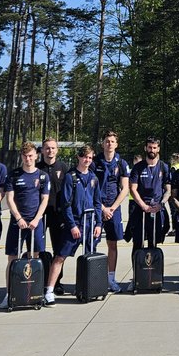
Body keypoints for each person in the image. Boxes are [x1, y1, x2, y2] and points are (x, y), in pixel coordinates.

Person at [44, 145, 102, 304]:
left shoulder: (93, 178)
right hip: (75, 223)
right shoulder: (71, 177)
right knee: (60, 256)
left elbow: (97, 203)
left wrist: (99, 224)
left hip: (90, 224)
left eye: (90, 158)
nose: (87, 160)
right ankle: (49, 290)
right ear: (79, 157)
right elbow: (66, 204)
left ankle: (88, 287)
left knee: (89, 257)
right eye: (85, 157)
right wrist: (72, 225)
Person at [0, 141, 51, 308]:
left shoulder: (43, 176)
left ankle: (34, 292)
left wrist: (37, 219)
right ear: (21, 157)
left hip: (35, 223)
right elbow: (9, 199)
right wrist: (18, 218)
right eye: (25, 156)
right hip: (18, 223)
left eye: (30, 155)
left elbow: (44, 200)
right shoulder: (13, 175)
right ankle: (9, 294)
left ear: (36, 155)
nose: (28, 159)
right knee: (13, 258)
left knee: (35, 258)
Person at [95, 130, 130, 293]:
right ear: (103, 143)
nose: (109, 144)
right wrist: (102, 208)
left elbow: (125, 189)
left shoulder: (121, 163)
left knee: (112, 244)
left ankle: (111, 279)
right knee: (92, 244)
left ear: (117, 144)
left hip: (113, 208)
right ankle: (92, 280)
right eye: (107, 141)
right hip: (97, 207)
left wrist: (112, 208)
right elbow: (90, 187)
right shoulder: (94, 161)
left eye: (112, 141)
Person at [126, 136, 171, 262]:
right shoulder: (138, 167)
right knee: (137, 243)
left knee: (154, 243)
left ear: (158, 149)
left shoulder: (164, 167)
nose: (152, 150)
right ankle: (137, 277)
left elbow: (168, 190)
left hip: (156, 210)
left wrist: (161, 205)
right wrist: (143, 205)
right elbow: (133, 189)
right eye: (150, 147)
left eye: (155, 147)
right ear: (145, 148)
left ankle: (152, 275)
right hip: (140, 209)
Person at [36, 139, 70, 294]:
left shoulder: (63, 168)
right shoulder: (36, 168)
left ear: (57, 150)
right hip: (40, 214)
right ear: (42, 150)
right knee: (39, 248)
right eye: (47, 148)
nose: (50, 151)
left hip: (58, 214)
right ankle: (40, 280)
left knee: (59, 249)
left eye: (53, 148)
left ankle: (56, 282)